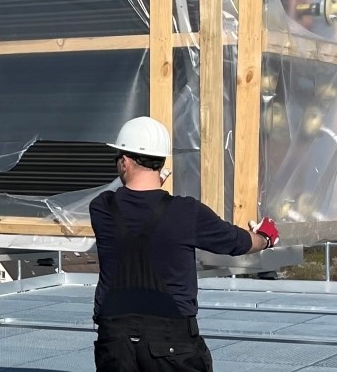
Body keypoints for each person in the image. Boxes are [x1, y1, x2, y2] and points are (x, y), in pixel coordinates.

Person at [91, 117, 278, 372]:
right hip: (171, 341)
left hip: (114, 341)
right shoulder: (186, 212)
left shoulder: (101, 208)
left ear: (124, 161)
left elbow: (132, 201)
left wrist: (154, 183)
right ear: (162, 162)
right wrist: (266, 237)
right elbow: (239, 243)